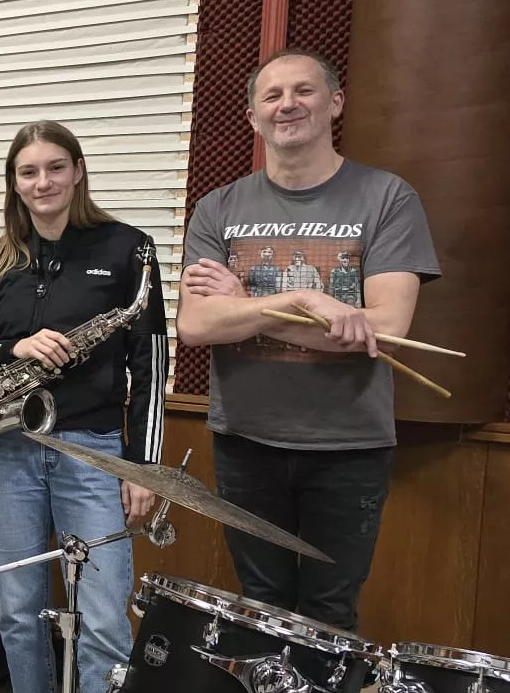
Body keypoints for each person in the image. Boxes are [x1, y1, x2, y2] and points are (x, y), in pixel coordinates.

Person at [0, 122, 165, 693]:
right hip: (9, 451)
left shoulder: (129, 248)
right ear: (14, 182)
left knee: (104, 618)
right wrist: (13, 347)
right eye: (27, 171)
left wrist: (143, 469)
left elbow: (152, 365)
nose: (40, 183)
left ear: (77, 171)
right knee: (19, 612)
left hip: (93, 450)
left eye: (53, 168)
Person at [178, 48, 439, 629]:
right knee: (260, 606)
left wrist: (246, 305)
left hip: (348, 446)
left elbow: (385, 330)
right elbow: (195, 326)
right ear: (253, 117)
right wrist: (307, 305)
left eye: (304, 91)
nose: (287, 105)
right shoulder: (218, 208)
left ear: (335, 103)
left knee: (329, 616)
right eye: (271, 96)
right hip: (245, 441)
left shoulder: (387, 197)